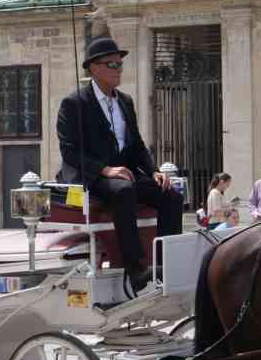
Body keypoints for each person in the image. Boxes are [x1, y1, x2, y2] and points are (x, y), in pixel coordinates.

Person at [56, 36, 183, 293]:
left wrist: (155, 171)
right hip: (91, 176)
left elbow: (136, 145)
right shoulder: (74, 104)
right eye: (112, 64)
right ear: (94, 68)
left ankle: (165, 262)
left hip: (123, 174)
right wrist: (105, 170)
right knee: (123, 189)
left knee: (170, 194)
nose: (118, 69)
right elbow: (69, 151)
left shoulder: (125, 101)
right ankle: (135, 267)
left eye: (120, 64)